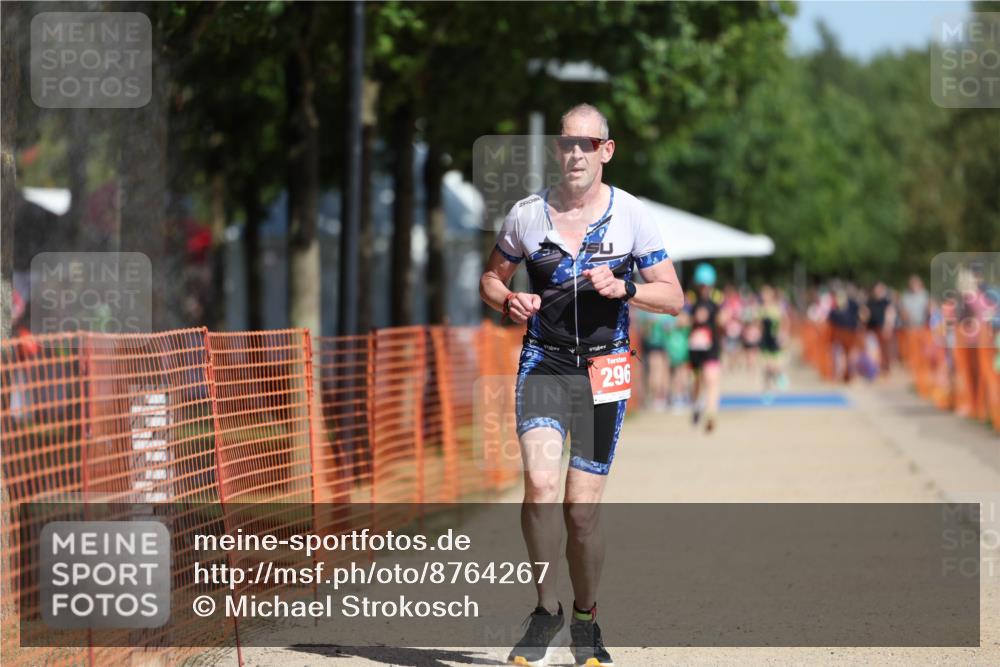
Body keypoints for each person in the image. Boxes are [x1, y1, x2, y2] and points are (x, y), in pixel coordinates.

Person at [479, 103, 684, 667]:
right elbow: (490, 279)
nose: (574, 154)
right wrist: (509, 298)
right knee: (541, 488)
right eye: (566, 143)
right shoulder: (527, 214)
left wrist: (625, 288)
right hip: (544, 362)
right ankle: (547, 613)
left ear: (606, 151)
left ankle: (587, 620)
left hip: (605, 366)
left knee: (580, 508)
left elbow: (673, 295)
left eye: (586, 145)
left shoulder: (631, 216)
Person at [687, 262, 724, 433]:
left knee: (712, 380)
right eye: (702, 285)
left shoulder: (717, 300)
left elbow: (722, 321)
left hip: (711, 348)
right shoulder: (691, 300)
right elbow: (683, 319)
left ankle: (711, 414)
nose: (704, 288)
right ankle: (696, 406)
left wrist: (723, 319)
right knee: (697, 381)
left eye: (706, 285)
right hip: (695, 349)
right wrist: (692, 319)